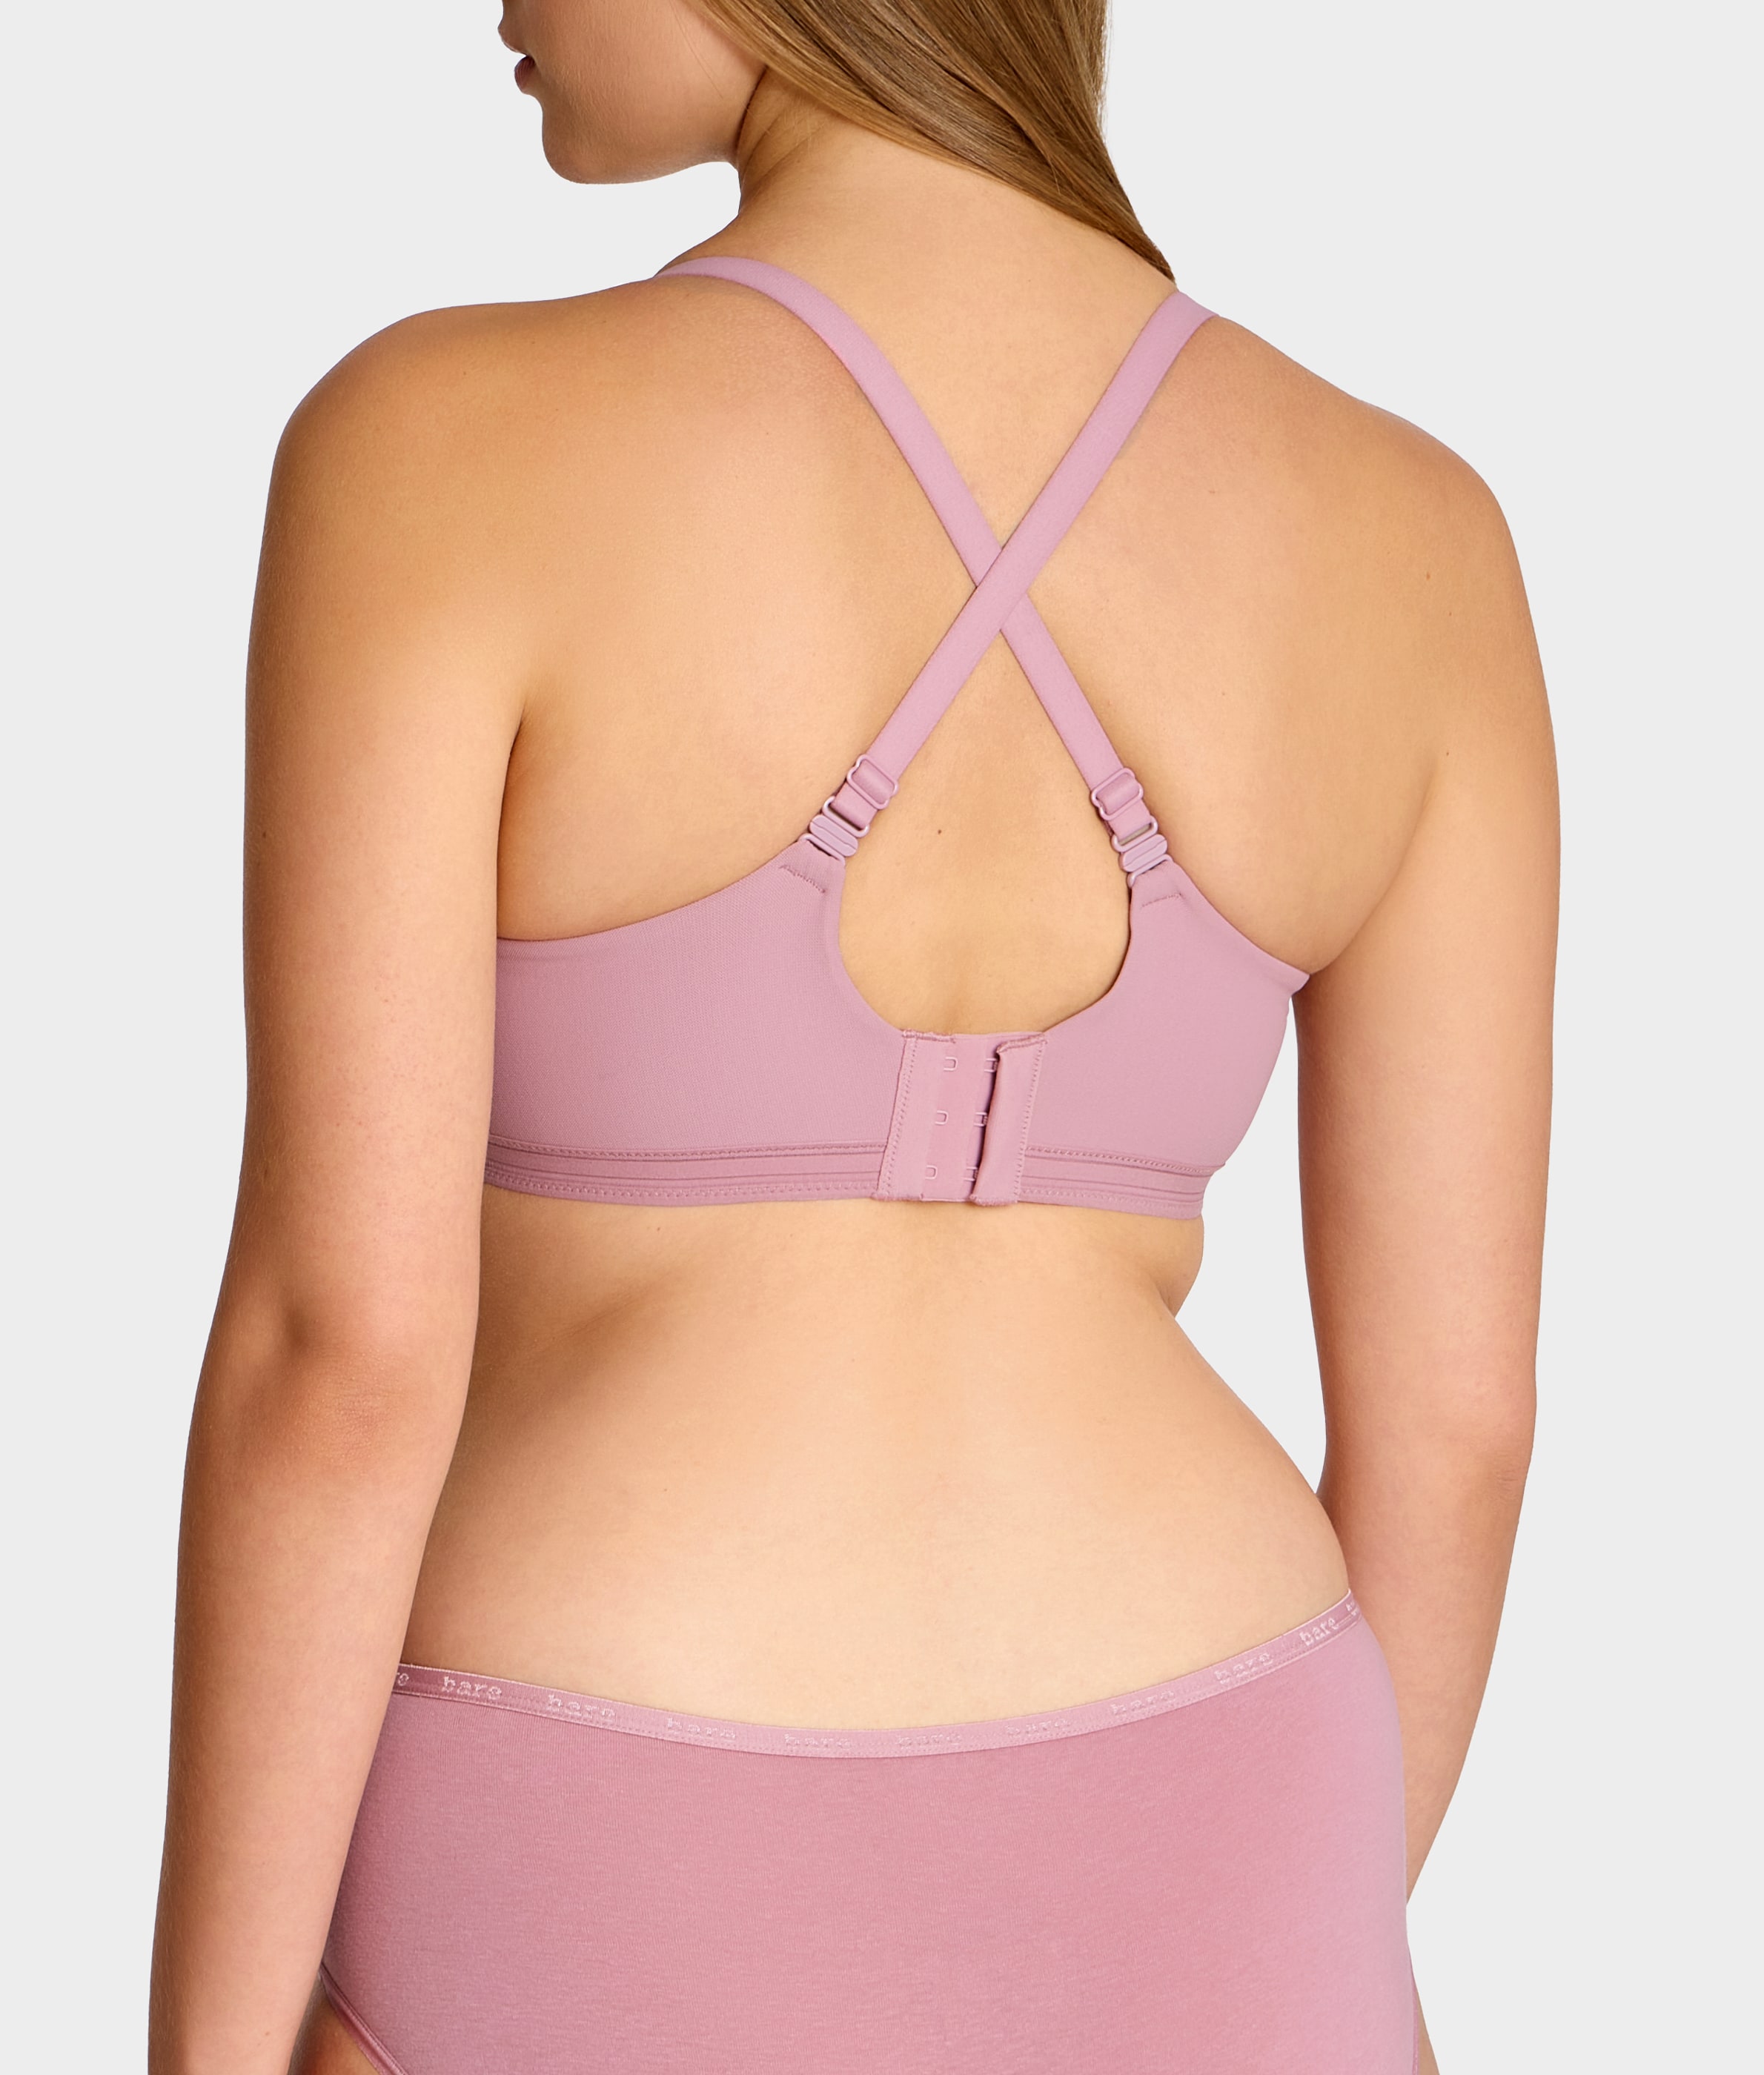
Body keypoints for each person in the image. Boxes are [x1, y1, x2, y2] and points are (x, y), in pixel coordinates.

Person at [148, 3, 1555, 2071]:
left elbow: (337, 1359)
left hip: (599, 1804)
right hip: (1219, 1790)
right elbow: (1459, 1426)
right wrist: (1273, 1930)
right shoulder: (1411, 527)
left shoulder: (441, 438)